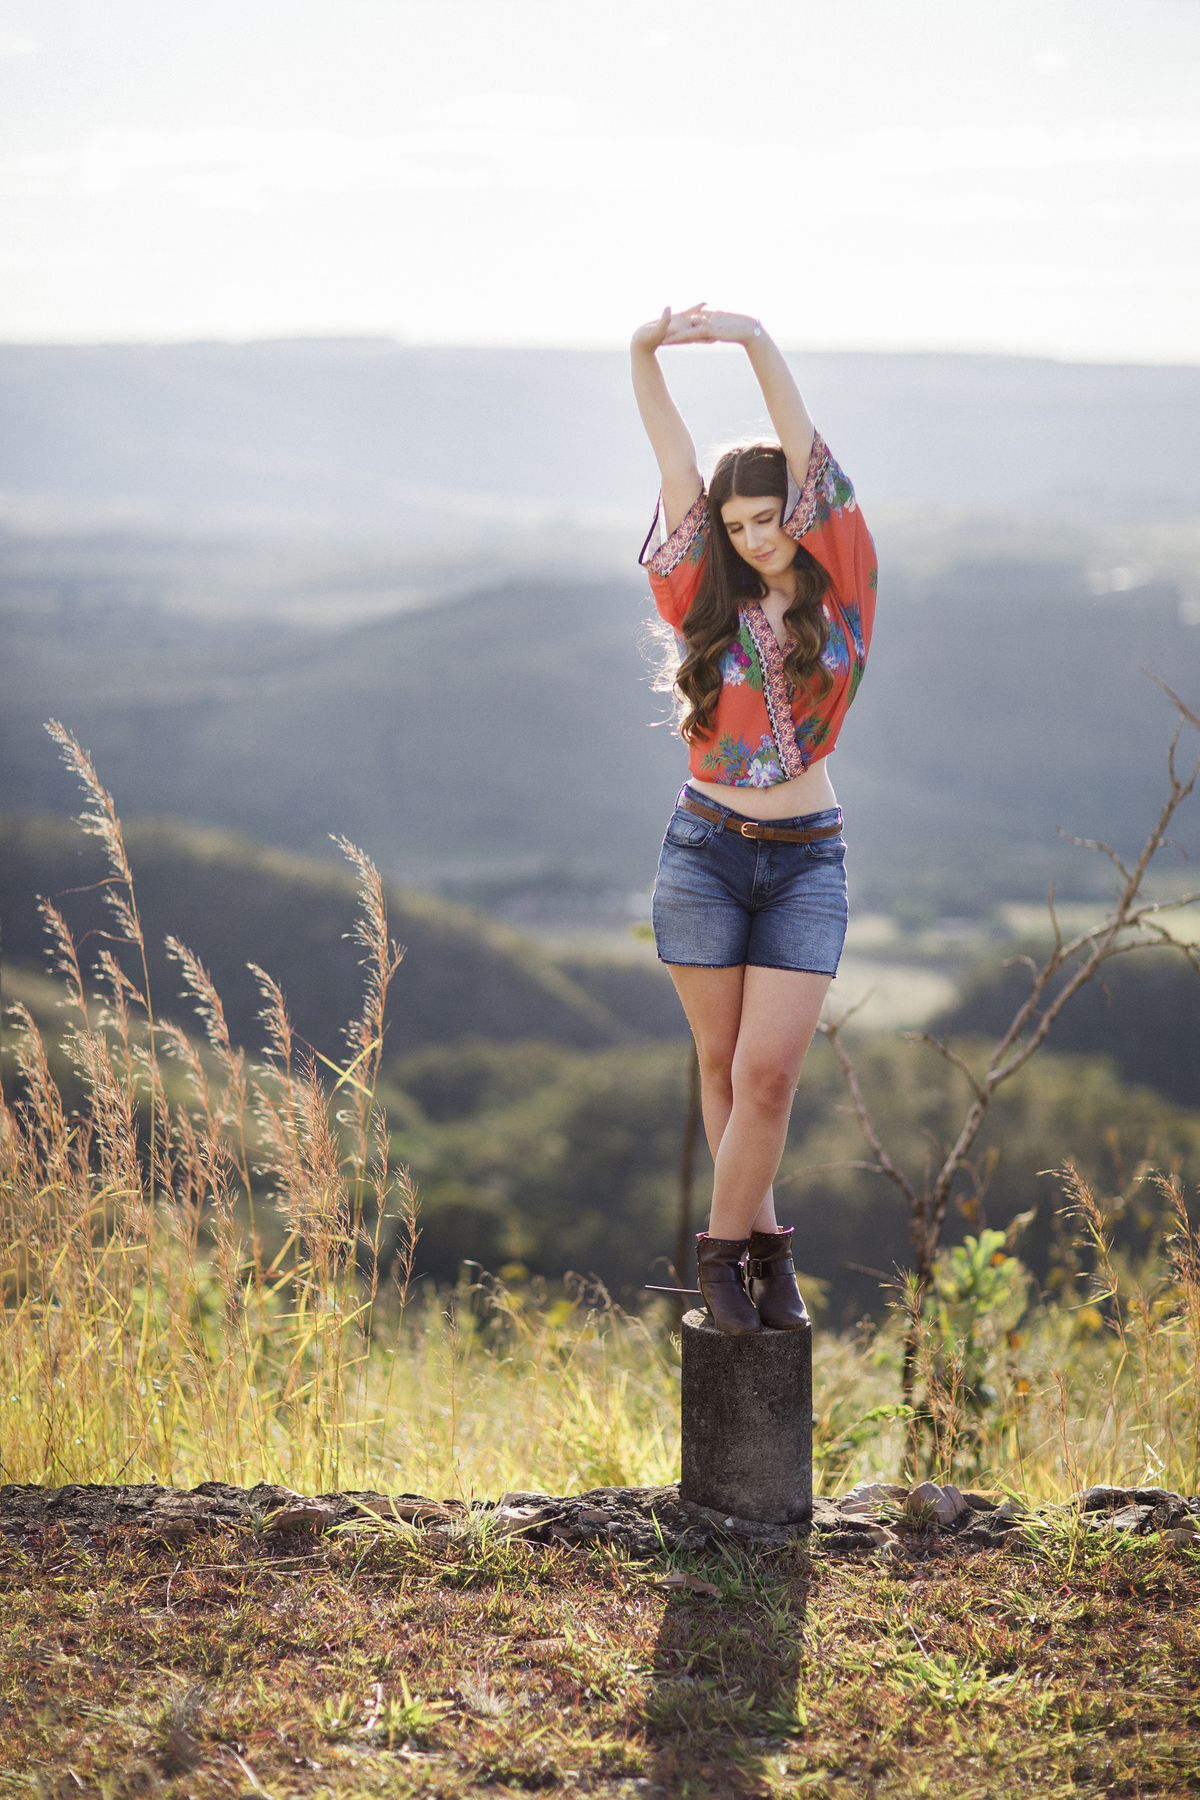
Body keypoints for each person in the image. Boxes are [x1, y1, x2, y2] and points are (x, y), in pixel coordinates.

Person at [631, 304, 877, 1336]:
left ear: (802, 513)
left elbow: (805, 445)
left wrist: (750, 340)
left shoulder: (849, 581)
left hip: (806, 861)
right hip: (705, 853)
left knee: (769, 1074)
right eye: (735, 527)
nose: (752, 536)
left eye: (769, 517)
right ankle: (762, 1263)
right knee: (723, 1069)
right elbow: (678, 459)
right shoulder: (702, 601)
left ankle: (721, 1255)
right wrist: (643, 352)